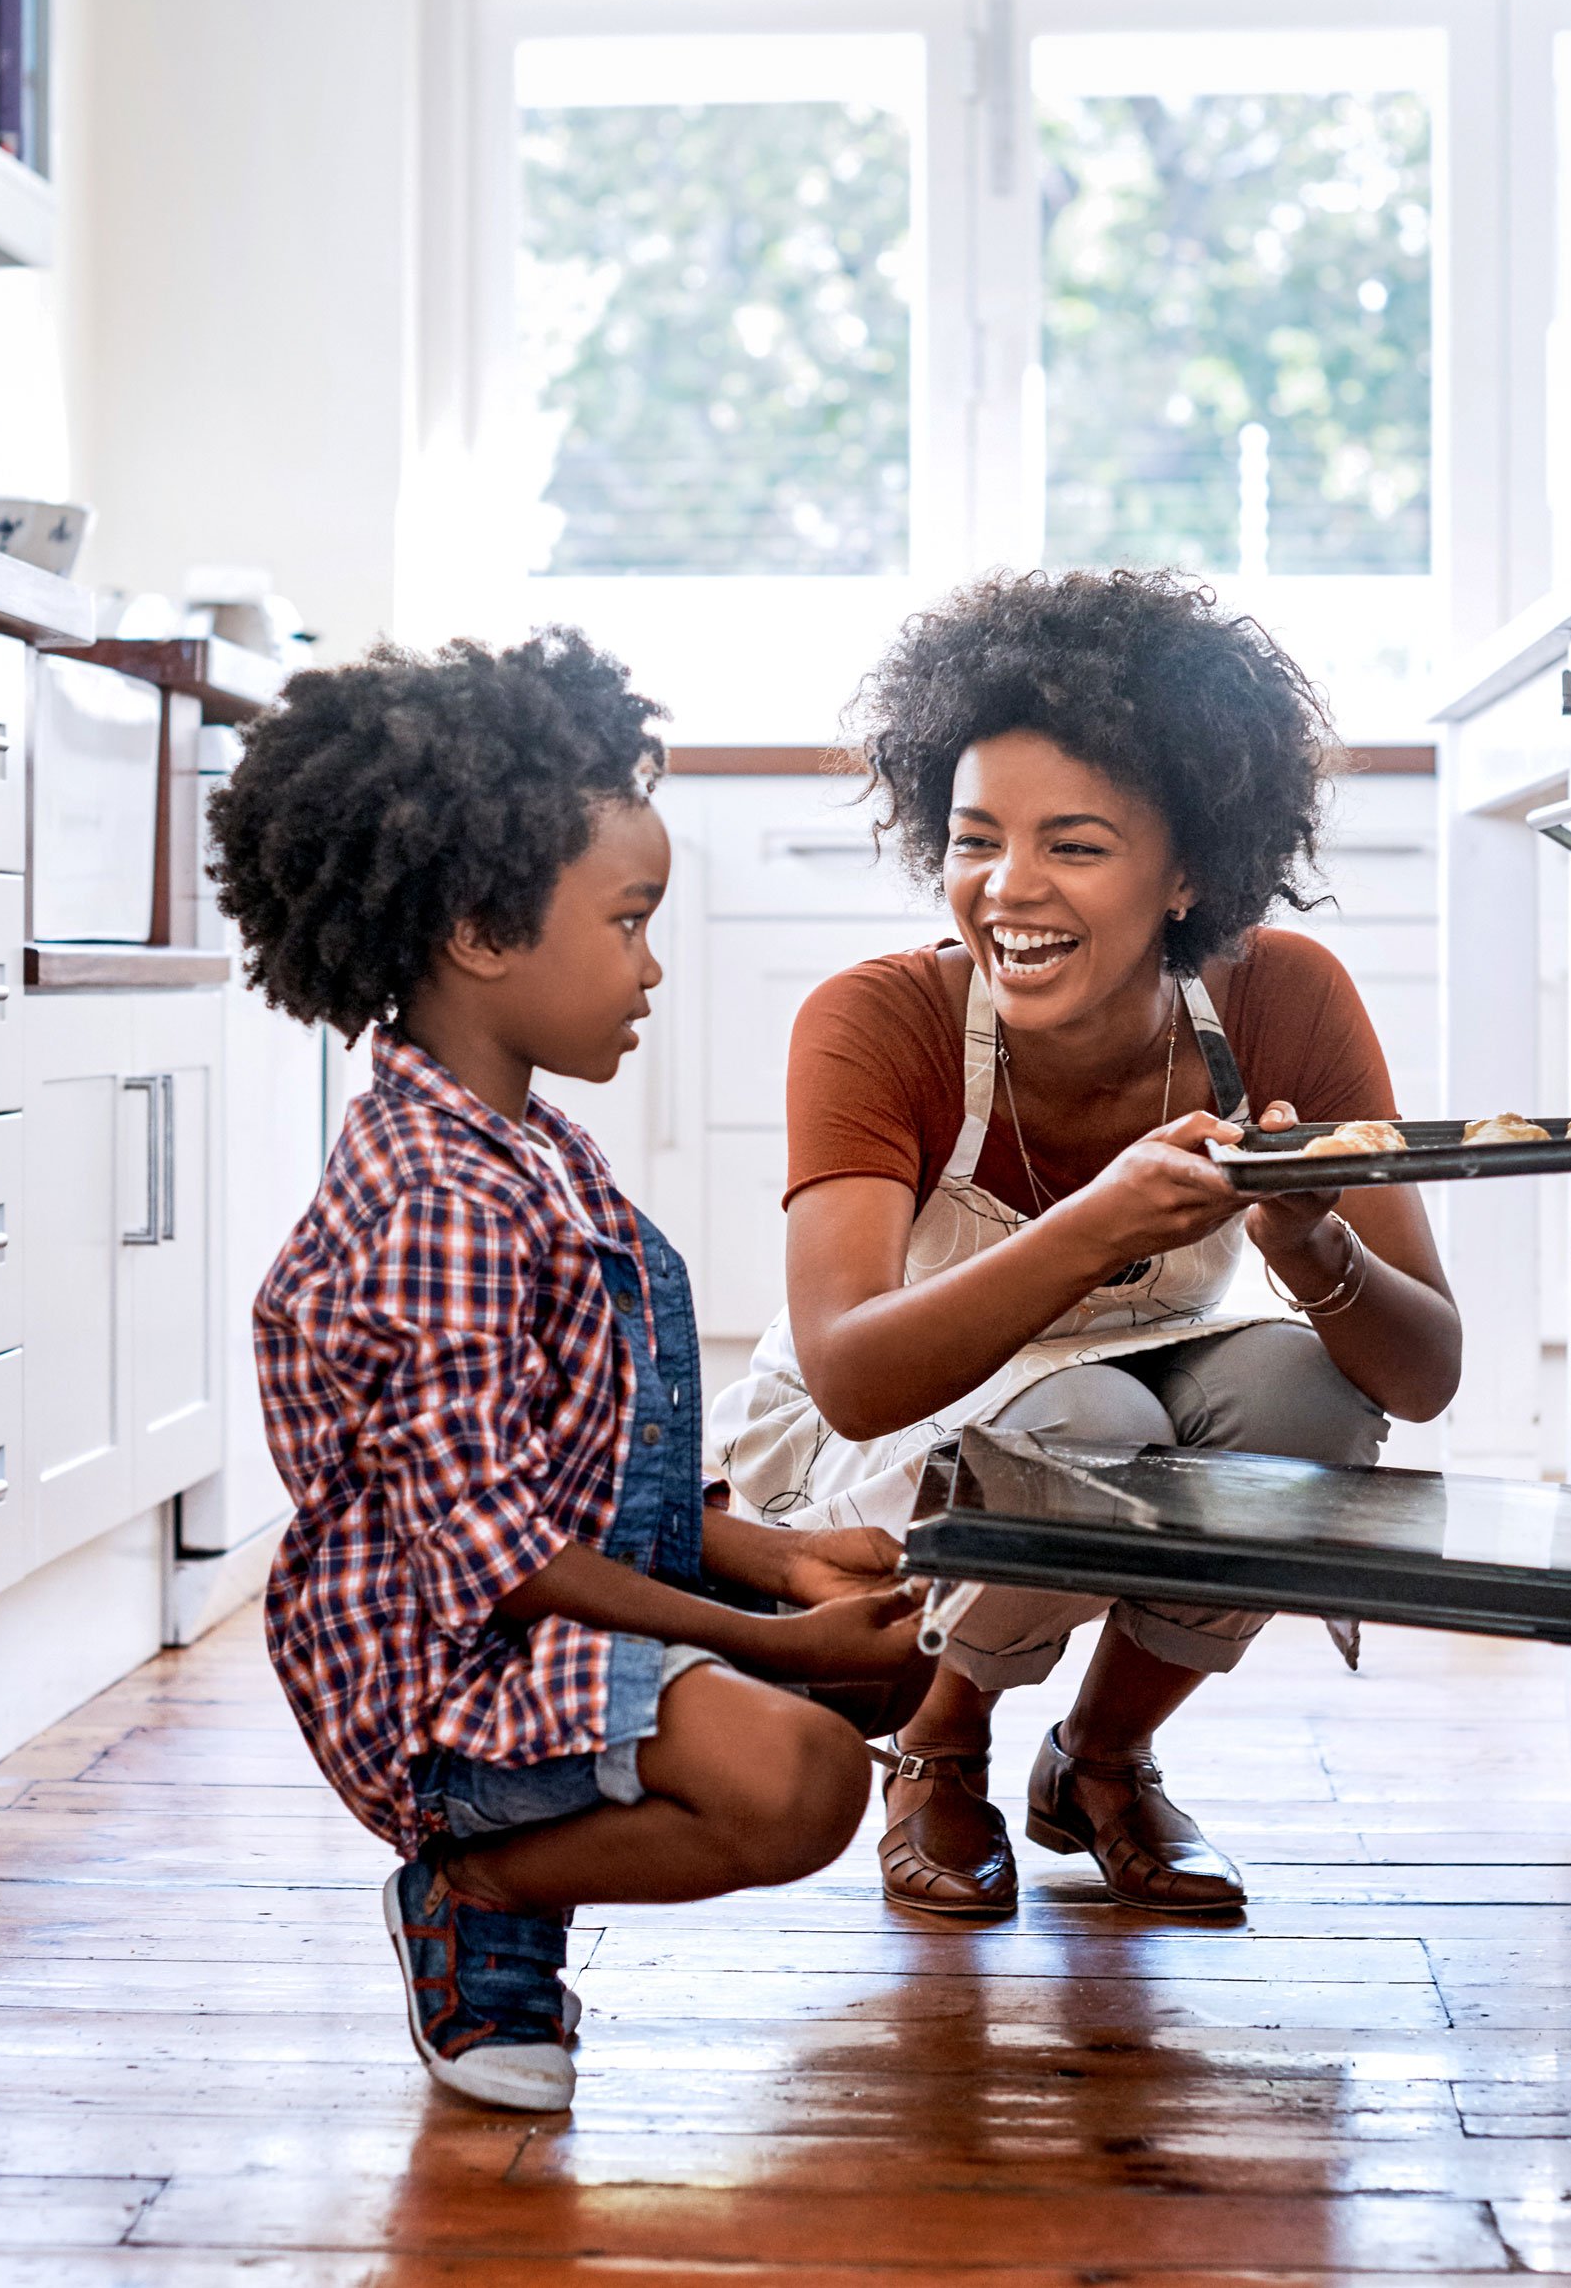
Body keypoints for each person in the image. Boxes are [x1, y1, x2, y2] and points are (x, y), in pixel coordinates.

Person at [215, 627, 932, 2116]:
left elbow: (589, 1461)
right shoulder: (440, 1201)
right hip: (444, 1674)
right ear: (481, 928)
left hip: (544, 1601)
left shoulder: (529, 1146)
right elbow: (498, 1550)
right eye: (629, 920)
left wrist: (783, 1565)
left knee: (900, 1656)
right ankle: (475, 1902)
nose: (653, 964)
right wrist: (778, 1646)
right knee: (806, 1782)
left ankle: (537, 1857)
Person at [709, 572, 1464, 1920]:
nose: (1007, 890)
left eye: (1074, 844)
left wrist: (1307, 1243)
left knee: (1307, 1392)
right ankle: (937, 1748)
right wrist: (1094, 1222)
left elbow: (1422, 1373)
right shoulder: (875, 1022)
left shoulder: (1283, 996)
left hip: (1160, 1360)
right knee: (1083, 1413)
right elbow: (853, 1374)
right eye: (974, 839)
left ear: (1188, 872)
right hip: (903, 1416)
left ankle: (1102, 1762)